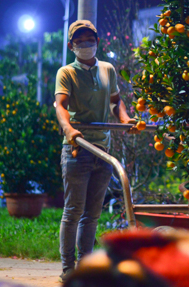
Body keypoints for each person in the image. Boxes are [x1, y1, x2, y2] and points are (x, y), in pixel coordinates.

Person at [54, 20, 137, 283]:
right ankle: (68, 269)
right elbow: (60, 105)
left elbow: (116, 102)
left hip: (103, 148)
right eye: (79, 41)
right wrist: (69, 130)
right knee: (74, 211)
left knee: (92, 214)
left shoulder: (108, 70)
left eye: (89, 39)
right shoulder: (66, 72)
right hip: (78, 148)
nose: (85, 44)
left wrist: (125, 120)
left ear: (97, 41)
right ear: (71, 45)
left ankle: (84, 269)